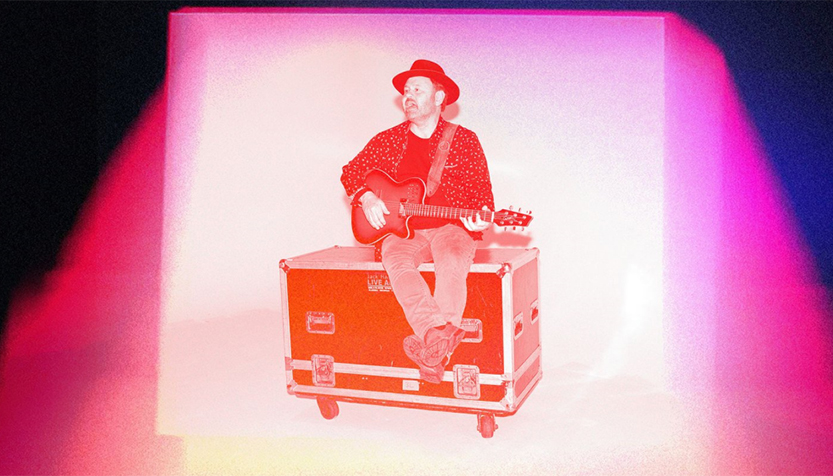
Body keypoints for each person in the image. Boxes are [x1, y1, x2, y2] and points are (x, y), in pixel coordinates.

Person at [340, 59, 495, 383]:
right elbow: (351, 172)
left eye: (417, 90)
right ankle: (437, 338)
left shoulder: (464, 140)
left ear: (439, 98)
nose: (408, 96)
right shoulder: (387, 140)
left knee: (452, 259)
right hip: (403, 231)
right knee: (396, 261)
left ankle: (432, 345)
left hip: (451, 228)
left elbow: (481, 194)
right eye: (406, 91)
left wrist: (482, 217)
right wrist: (366, 197)